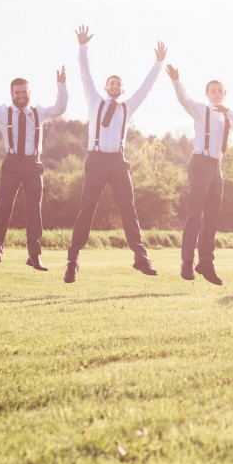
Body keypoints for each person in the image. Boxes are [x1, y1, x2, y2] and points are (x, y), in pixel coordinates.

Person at [64, 25, 166, 283]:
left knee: (128, 209)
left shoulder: (127, 108)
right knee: (86, 209)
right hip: (96, 160)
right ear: (105, 87)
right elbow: (84, 74)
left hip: (118, 162)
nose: (115, 85)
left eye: (119, 84)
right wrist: (83, 47)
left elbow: (146, 88)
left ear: (122, 89)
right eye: (111, 82)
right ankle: (72, 260)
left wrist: (158, 63)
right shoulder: (95, 101)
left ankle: (140, 258)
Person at [0, 61, 68, 271]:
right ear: (11, 93)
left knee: (35, 210)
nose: (21, 95)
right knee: (4, 208)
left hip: (33, 164)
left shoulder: (38, 112)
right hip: (12, 163)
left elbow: (60, 108)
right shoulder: (2, 112)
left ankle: (34, 255)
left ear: (29, 92)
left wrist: (61, 85)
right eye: (17, 92)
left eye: (24, 91)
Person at [166, 65, 233, 285]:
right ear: (207, 94)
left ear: (224, 94)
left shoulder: (227, 118)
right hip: (200, 163)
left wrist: (226, 110)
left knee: (212, 218)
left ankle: (206, 263)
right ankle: (186, 262)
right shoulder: (200, 110)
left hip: (216, 168)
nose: (216, 93)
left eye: (219, 90)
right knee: (195, 215)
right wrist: (176, 80)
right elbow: (183, 99)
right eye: (212, 90)